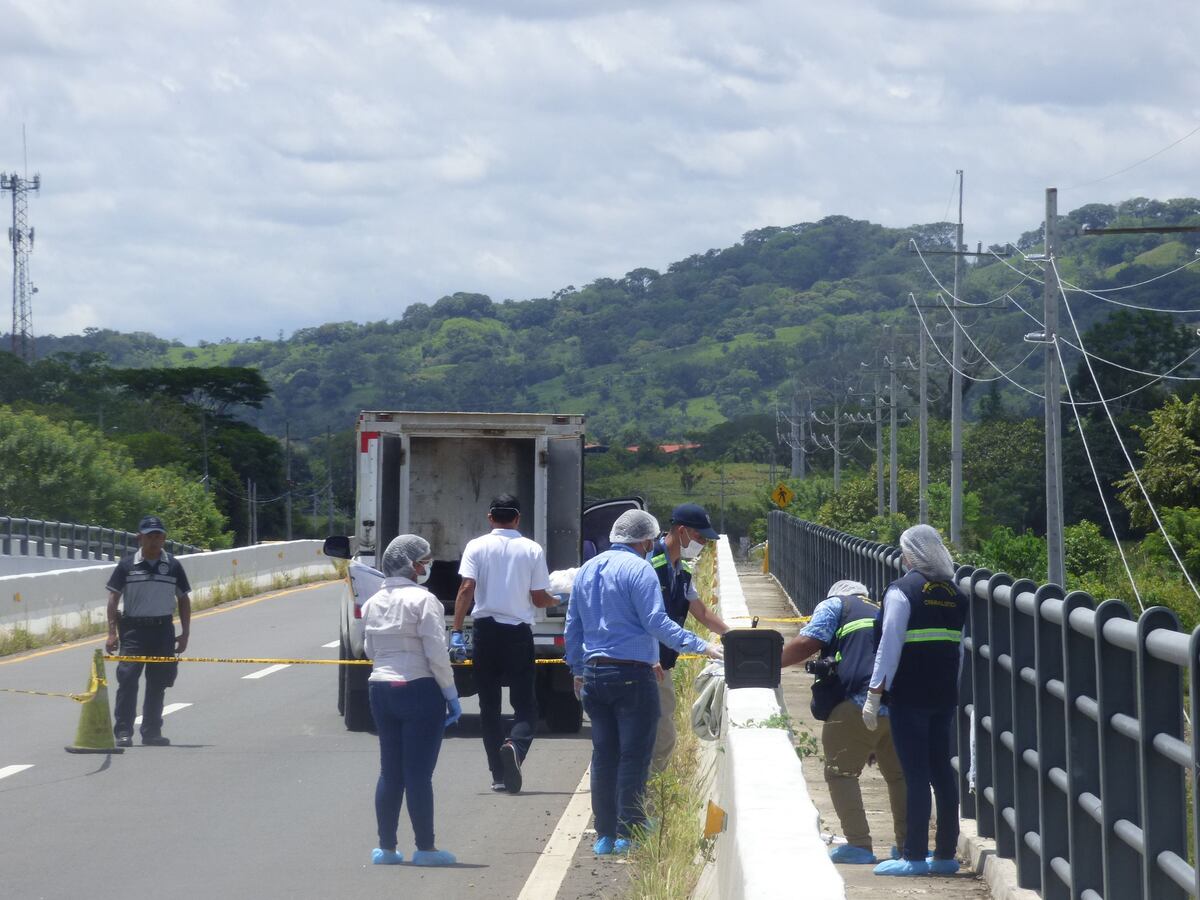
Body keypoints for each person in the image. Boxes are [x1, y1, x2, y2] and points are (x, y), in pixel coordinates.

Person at [565, 509, 724, 856]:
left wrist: (577, 669)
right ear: (647, 540)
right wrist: (703, 646)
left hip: (594, 672)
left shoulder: (587, 569)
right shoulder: (641, 569)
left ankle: (604, 835)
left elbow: (572, 625)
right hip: (632, 674)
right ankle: (629, 829)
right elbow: (656, 622)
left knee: (604, 755)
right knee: (635, 756)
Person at [863, 524, 966, 877]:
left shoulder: (901, 591)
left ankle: (915, 856)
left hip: (908, 695)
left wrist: (874, 695)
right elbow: (959, 651)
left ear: (909, 555)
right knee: (942, 772)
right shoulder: (955, 593)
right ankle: (946, 856)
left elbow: (889, 648)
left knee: (916, 774)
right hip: (943, 695)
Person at [780, 580, 906, 864]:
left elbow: (806, 643)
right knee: (899, 776)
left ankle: (859, 845)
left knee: (841, 774)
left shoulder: (836, 604)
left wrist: (769, 663)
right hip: (897, 704)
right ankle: (907, 846)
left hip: (856, 702)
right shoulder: (882, 607)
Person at [451, 494, 559, 794]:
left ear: (490, 517)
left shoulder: (476, 546)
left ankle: (498, 775)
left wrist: (457, 631)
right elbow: (539, 598)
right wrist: (555, 599)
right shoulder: (531, 549)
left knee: (489, 706)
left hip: (485, 632)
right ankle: (516, 745)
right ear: (518, 518)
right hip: (517, 633)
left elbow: (466, 588)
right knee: (525, 705)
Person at [363, 534, 460, 867]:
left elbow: (369, 650)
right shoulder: (424, 600)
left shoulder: (374, 600)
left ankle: (386, 848)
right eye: (424, 560)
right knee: (419, 774)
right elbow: (436, 651)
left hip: (380, 687)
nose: (427, 566)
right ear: (412, 565)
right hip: (419, 687)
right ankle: (425, 848)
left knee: (390, 772)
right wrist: (450, 693)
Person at [648, 503, 730, 773]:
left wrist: (734, 637)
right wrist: (704, 646)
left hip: (662, 664)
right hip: (646, 662)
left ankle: (638, 800)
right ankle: (636, 803)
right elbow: (647, 620)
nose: (703, 544)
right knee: (659, 738)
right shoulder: (649, 564)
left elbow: (702, 612)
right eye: (699, 538)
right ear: (682, 531)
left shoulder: (681, 571)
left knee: (661, 737)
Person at [105, 515, 191, 748]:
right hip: (133, 630)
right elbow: (113, 599)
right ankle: (123, 731)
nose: (154, 540)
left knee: (158, 682)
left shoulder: (173, 565)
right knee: (128, 679)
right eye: (149, 536)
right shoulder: (126, 565)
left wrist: (185, 633)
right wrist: (112, 633)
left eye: (158, 536)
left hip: (163, 629)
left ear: (164, 538)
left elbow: (183, 599)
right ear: (139, 538)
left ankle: (152, 732)